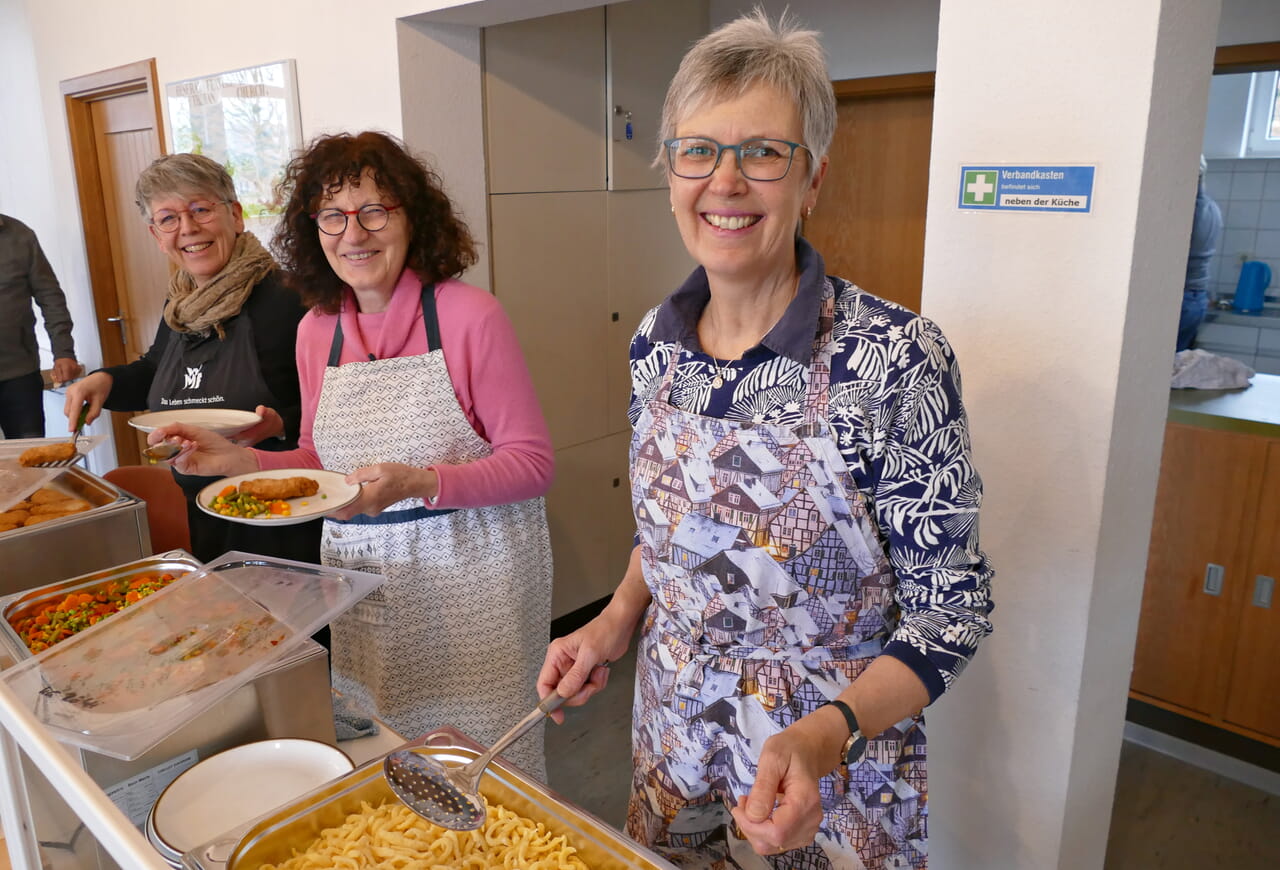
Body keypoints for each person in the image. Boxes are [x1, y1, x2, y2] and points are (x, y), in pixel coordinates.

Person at [538, 12, 994, 869]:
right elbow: (671, 532)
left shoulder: (892, 361)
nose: (726, 180)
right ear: (671, 172)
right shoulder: (654, 345)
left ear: (813, 178)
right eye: (699, 150)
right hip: (672, 729)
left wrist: (830, 735)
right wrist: (613, 620)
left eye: (764, 153)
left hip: (830, 760)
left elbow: (953, 610)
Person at [147, 131, 555, 775]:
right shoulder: (318, 329)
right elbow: (317, 456)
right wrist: (237, 461)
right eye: (333, 216)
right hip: (365, 579)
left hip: (473, 577)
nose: (353, 233)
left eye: (375, 211)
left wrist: (419, 481)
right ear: (314, 229)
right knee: (385, 753)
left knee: (482, 766)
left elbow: (532, 464)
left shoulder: (469, 315)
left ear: (411, 218)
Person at [62, 153, 320, 566]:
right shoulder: (181, 303)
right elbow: (158, 371)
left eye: (200, 209)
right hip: (203, 502)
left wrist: (283, 421)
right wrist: (105, 381)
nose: (187, 229)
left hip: (284, 513)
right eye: (168, 218)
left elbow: (337, 401)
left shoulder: (290, 297)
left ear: (235, 215)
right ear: (156, 234)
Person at [0, 212, 79, 438]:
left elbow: (50, 296)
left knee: (31, 460)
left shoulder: (20, 236)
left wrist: (64, 352)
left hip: (19, 376)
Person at [1177, 155, 1223, 352]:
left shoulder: (1186, 210)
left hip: (1181, 299)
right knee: (1172, 370)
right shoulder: (1212, 207)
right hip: (1196, 299)